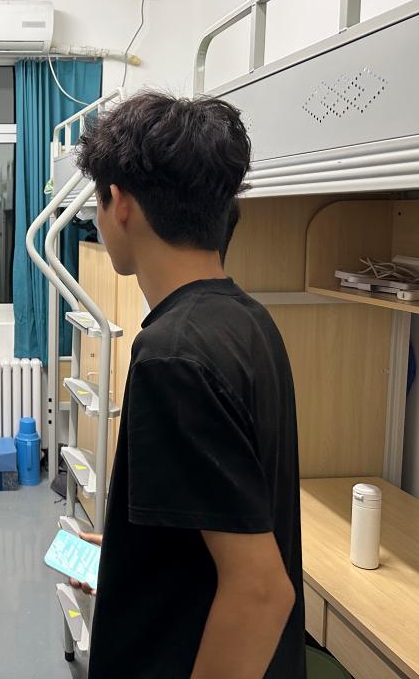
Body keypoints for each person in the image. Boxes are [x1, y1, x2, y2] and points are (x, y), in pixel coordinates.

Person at [72, 92, 304, 678]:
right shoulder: (246, 320)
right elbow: (225, 517)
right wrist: (131, 559)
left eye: (98, 202)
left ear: (121, 204)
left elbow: (260, 591)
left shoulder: (172, 355)